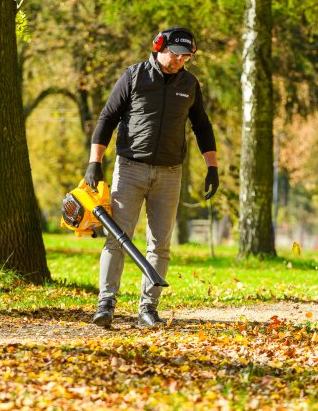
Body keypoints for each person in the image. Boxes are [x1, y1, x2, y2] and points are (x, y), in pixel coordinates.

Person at [84, 26, 219, 328]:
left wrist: (212, 167)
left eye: (185, 57)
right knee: (117, 238)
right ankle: (106, 304)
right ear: (159, 47)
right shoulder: (134, 76)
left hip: (170, 173)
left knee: (160, 244)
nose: (179, 61)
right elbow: (107, 118)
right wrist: (95, 162)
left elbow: (202, 126)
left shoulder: (189, 84)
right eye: (175, 54)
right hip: (130, 168)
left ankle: (148, 308)